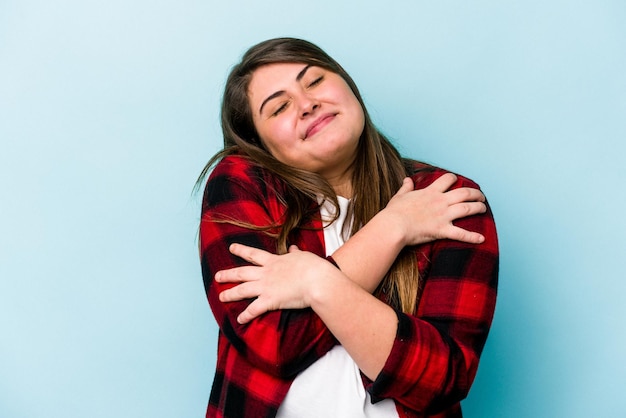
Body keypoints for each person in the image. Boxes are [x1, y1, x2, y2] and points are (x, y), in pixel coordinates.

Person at [198, 37, 498, 418]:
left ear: (347, 85)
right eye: (279, 108)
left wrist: (315, 279)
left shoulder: (443, 198)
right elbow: (274, 342)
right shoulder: (240, 184)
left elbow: (441, 380)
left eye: (315, 81)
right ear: (259, 144)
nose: (307, 105)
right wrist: (394, 227)